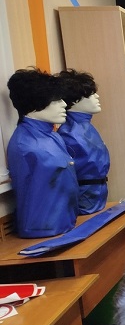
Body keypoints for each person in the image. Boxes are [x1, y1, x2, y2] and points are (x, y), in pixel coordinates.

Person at [6, 68, 78, 238]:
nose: (64, 104)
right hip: (42, 227)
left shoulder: (53, 136)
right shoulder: (26, 145)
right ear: (34, 104)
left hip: (64, 222)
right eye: (56, 100)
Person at [57, 69, 110, 214]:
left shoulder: (87, 127)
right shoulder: (68, 134)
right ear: (75, 100)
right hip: (84, 200)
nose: (97, 96)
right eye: (91, 94)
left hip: (98, 196)